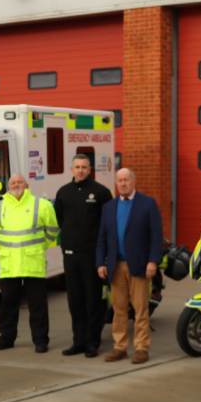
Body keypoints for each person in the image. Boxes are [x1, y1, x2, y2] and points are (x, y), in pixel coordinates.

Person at [96, 168, 163, 364]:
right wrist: (101, 262)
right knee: (119, 310)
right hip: (116, 267)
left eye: (126, 180)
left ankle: (142, 348)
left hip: (140, 266)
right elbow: (102, 238)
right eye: (119, 180)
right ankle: (120, 347)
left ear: (133, 181)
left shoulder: (147, 203)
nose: (123, 183)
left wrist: (152, 261)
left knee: (141, 310)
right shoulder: (109, 207)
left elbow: (156, 235)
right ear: (116, 183)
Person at [0, 174, 59, 352]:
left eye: (19, 182)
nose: (16, 185)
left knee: (38, 305)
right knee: (7, 304)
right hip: (9, 264)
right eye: (13, 183)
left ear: (26, 185)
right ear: (8, 186)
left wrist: (39, 247)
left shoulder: (41, 204)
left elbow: (52, 230)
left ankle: (41, 340)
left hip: (32, 262)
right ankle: (6, 338)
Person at [53, 154, 114, 358]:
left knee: (93, 300)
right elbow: (60, 220)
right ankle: (78, 341)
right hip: (70, 256)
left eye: (84, 167)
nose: (80, 170)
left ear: (90, 170)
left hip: (92, 256)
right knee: (75, 301)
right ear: (71, 170)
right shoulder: (63, 193)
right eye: (77, 167)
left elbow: (108, 225)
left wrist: (104, 256)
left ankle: (92, 343)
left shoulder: (101, 192)